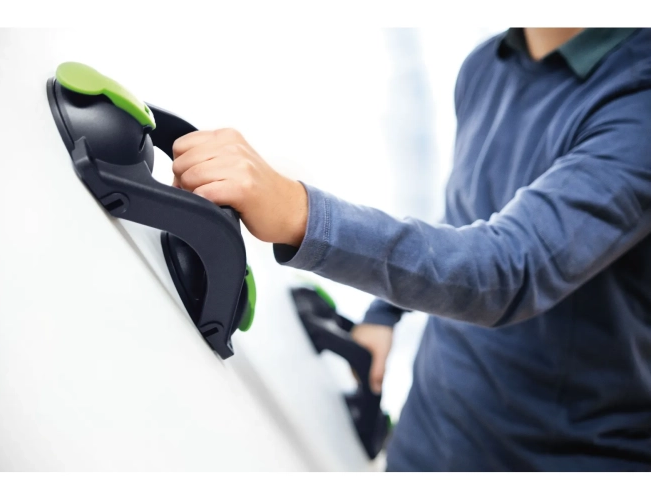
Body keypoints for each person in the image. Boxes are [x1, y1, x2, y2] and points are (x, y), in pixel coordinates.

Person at [170, 28, 651, 471]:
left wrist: (299, 212)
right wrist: (385, 313)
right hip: (428, 432)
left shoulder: (638, 102)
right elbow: (470, 216)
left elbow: (507, 269)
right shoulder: (488, 63)